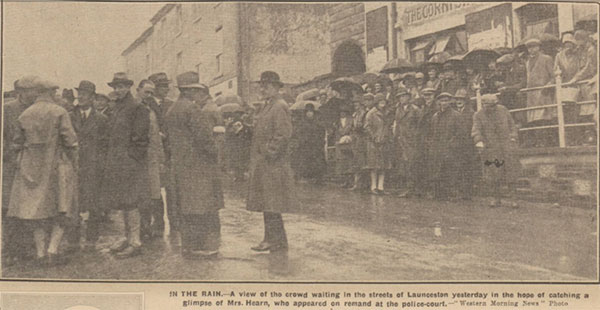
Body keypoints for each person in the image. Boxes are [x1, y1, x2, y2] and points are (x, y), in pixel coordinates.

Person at [7, 78, 79, 266]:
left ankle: (40, 253)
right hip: (57, 166)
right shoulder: (59, 112)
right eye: (54, 92)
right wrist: (75, 163)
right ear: (49, 93)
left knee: (36, 210)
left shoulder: (25, 114)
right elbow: (70, 141)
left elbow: (16, 142)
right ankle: (52, 250)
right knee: (62, 207)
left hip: (30, 168)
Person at [164, 71, 223, 258]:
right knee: (200, 206)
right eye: (195, 90)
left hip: (180, 165)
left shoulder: (172, 109)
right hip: (197, 165)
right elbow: (204, 139)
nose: (197, 94)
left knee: (185, 206)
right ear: (189, 91)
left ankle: (187, 245)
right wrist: (215, 152)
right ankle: (199, 247)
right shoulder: (192, 109)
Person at [247, 71, 294, 274]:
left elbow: (283, 134)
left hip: (273, 164)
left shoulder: (279, 106)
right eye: (261, 85)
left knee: (272, 202)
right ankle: (276, 240)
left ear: (276, 87)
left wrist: (268, 152)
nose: (262, 88)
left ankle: (273, 240)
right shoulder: (269, 106)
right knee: (269, 202)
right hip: (265, 163)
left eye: (266, 85)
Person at [102, 72, 150, 258]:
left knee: (132, 202)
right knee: (123, 201)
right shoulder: (117, 107)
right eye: (115, 87)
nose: (118, 90)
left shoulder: (137, 107)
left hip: (130, 163)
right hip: (117, 162)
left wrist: (132, 159)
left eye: (122, 86)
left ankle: (135, 242)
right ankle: (126, 237)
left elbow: (141, 139)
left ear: (129, 87)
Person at [2, 77, 43, 265]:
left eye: (35, 90)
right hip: (11, 165)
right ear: (21, 92)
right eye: (31, 91)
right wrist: (11, 154)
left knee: (29, 206)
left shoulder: (38, 109)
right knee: (9, 207)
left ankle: (28, 247)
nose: (34, 94)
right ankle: (11, 248)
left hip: (32, 165)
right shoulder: (7, 109)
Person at [67, 80, 109, 252]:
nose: (81, 97)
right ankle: (73, 241)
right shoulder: (69, 116)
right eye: (79, 93)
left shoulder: (101, 119)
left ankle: (92, 239)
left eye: (85, 94)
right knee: (72, 204)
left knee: (94, 204)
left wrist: (101, 165)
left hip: (93, 168)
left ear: (93, 97)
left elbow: (106, 144)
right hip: (73, 166)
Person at [472, 94, 520, 208]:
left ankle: (514, 199)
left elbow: (512, 126)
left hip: (506, 146)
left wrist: (513, 137)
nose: (492, 108)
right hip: (491, 147)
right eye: (489, 106)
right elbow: (476, 130)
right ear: (484, 105)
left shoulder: (503, 110)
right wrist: (479, 141)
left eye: (494, 105)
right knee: (493, 174)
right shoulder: (478, 115)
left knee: (511, 172)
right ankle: (495, 198)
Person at [135, 80, 166, 241]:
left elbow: (156, 137)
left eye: (151, 93)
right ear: (138, 90)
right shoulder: (132, 109)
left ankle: (158, 226)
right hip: (137, 159)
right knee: (139, 195)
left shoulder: (152, 111)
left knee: (155, 194)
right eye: (146, 92)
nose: (149, 95)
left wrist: (160, 159)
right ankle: (143, 227)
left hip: (151, 158)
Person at [148, 72, 174, 236]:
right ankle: (158, 222)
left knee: (172, 189)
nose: (165, 89)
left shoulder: (171, 104)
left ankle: (174, 221)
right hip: (154, 153)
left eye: (166, 85)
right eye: (162, 86)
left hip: (170, 152)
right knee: (155, 190)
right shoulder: (147, 104)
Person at [430, 92, 461, 200]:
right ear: (438, 102)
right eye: (442, 101)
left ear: (450, 102)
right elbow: (433, 132)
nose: (444, 103)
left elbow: (460, 133)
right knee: (438, 170)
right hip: (438, 148)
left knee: (451, 171)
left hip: (450, 148)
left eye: (446, 101)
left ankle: (452, 194)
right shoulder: (436, 116)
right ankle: (439, 194)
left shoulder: (455, 115)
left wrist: (452, 144)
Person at [525, 38, 555, 146]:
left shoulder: (546, 59)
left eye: (534, 47)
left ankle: (546, 142)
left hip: (543, 91)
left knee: (544, 117)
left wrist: (548, 86)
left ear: (539, 47)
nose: (532, 50)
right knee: (534, 119)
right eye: (529, 48)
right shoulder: (527, 62)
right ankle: (538, 142)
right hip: (531, 93)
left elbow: (553, 76)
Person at [395, 96, 423, 198]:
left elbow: (420, 125)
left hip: (412, 141)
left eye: (404, 96)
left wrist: (414, 135)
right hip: (401, 140)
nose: (402, 98)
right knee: (404, 164)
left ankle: (413, 188)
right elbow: (397, 124)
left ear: (408, 97)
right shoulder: (398, 109)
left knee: (412, 164)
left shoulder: (415, 109)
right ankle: (407, 187)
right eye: (400, 96)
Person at [453, 89, 476, 200]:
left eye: (461, 99)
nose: (459, 101)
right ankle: (459, 191)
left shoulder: (471, 113)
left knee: (467, 168)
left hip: (467, 145)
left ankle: (467, 192)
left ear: (466, 101)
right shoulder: (453, 112)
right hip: (456, 145)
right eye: (457, 99)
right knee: (457, 168)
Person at [365, 94, 390, 194]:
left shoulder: (387, 113)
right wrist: (374, 137)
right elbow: (367, 127)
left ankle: (381, 187)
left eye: (384, 101)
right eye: (380, 102)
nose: (382, 104)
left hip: (384, 141)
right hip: (374, 142)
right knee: (374, 166)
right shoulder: (371, 113)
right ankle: (373, 186)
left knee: (383, 165)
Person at [417, 85, 440, 198]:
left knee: (433, 165)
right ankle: (425, 189)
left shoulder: (437, 108)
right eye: (425, 95)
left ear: (434, 96)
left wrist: (431, 139)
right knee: (424, 164)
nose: (427, 97)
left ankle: (433, 190)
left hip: (433, 139)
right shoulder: (423, 108)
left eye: (429, 95)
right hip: (423, 139)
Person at [295, 103, 326, 184]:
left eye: (311, 111)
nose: (309, 113)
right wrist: (303, 140)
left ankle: (318, 177)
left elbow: (321, 132)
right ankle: (306, 177)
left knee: (317, 161)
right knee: (305, 160)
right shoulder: (302, 123)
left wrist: (319, 141)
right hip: (306, 145)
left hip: (316, 145)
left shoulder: (317, 122)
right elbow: (299, 133)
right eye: (308, 112)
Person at [335, 105, 354, 188]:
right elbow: (335, 132)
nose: (342, 114)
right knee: (341, 161)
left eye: (344, 112)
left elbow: (350, 129)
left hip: (348, 141)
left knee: (349, 160)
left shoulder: (350, 120)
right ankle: (344, 180)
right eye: (341, 112)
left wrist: (347, 136)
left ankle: (350, 180)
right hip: (339, 142)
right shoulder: (337, 122)